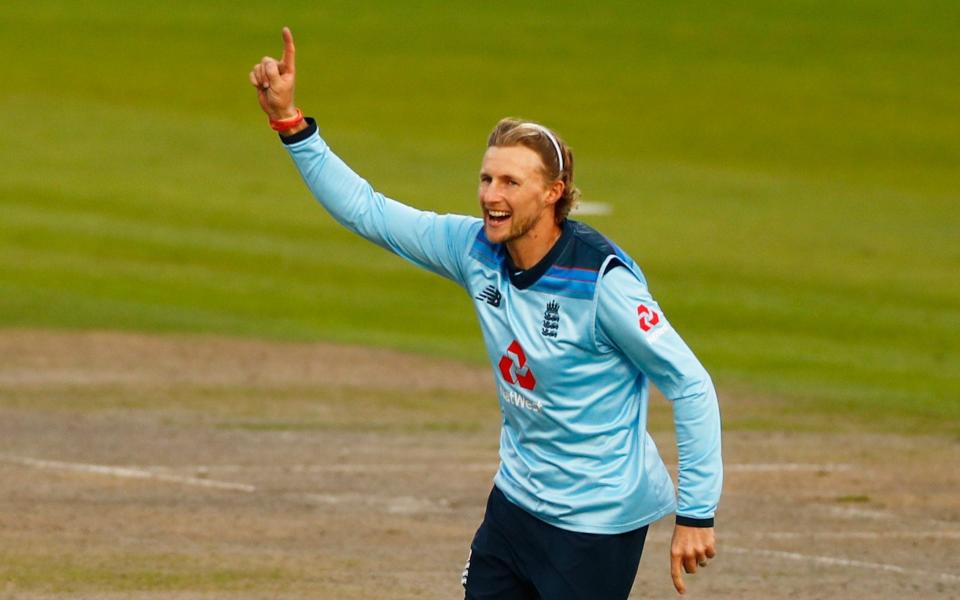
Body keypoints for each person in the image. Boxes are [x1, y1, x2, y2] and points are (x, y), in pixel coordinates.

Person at [250, 27, 722, 599]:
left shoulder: (602, 283)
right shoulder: (475, 249)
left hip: (594, 525)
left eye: (510, 182)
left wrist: (696, 514)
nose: (490, 194)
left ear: (553, 193)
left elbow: (690, 384)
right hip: (515, 507)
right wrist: (290, 123)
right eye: (486, 177)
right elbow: (369, 212)